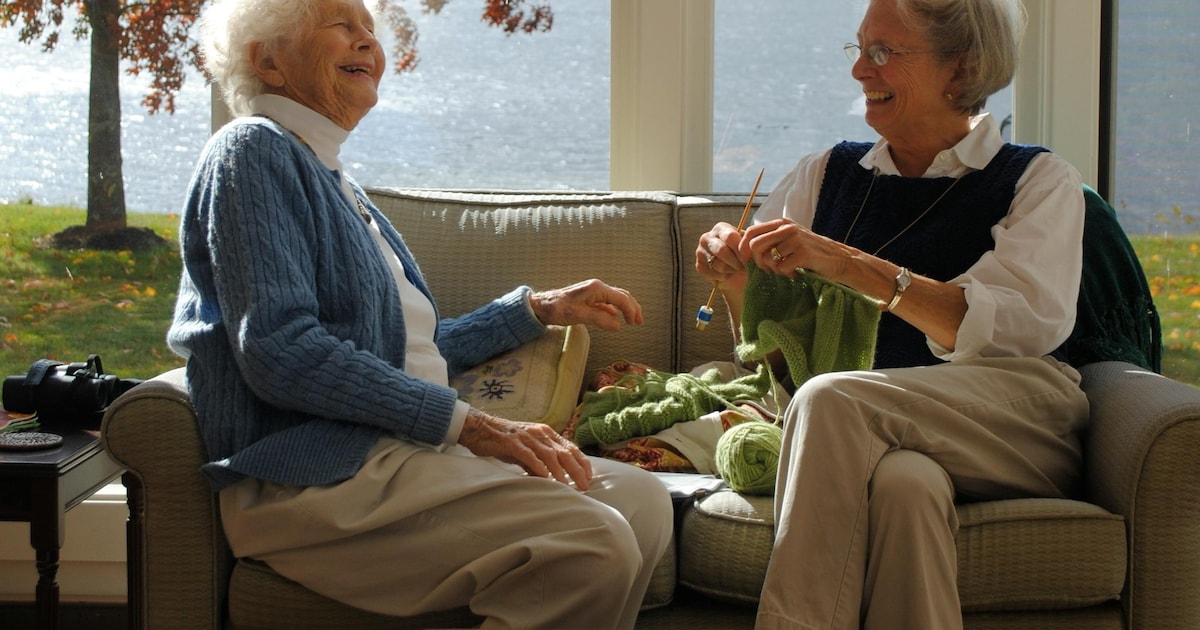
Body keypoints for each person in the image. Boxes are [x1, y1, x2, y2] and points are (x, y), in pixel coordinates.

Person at [166, 0, 673, 628]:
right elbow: (281, 351)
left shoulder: (334, 179)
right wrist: (476, 427)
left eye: (370, 32)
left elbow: (404, 354)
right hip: (317, 478)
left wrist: (539, 310)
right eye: (342, 27)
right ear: (267, 58)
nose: (368, 44)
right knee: (592, 539)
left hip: (396, 455)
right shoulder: (251, 152)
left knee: (645, 501)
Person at [695, 0, 1088, 628]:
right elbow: (781, 366)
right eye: (859, 51)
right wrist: (741, 280)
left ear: (959, 68)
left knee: (831, 401)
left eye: (883, 53)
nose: (860, 72)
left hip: (1017, 419)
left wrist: (849, 264)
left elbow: (1012, 332)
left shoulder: (1038, 181)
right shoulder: (825, 175)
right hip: (885, 433)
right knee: (906, 487)